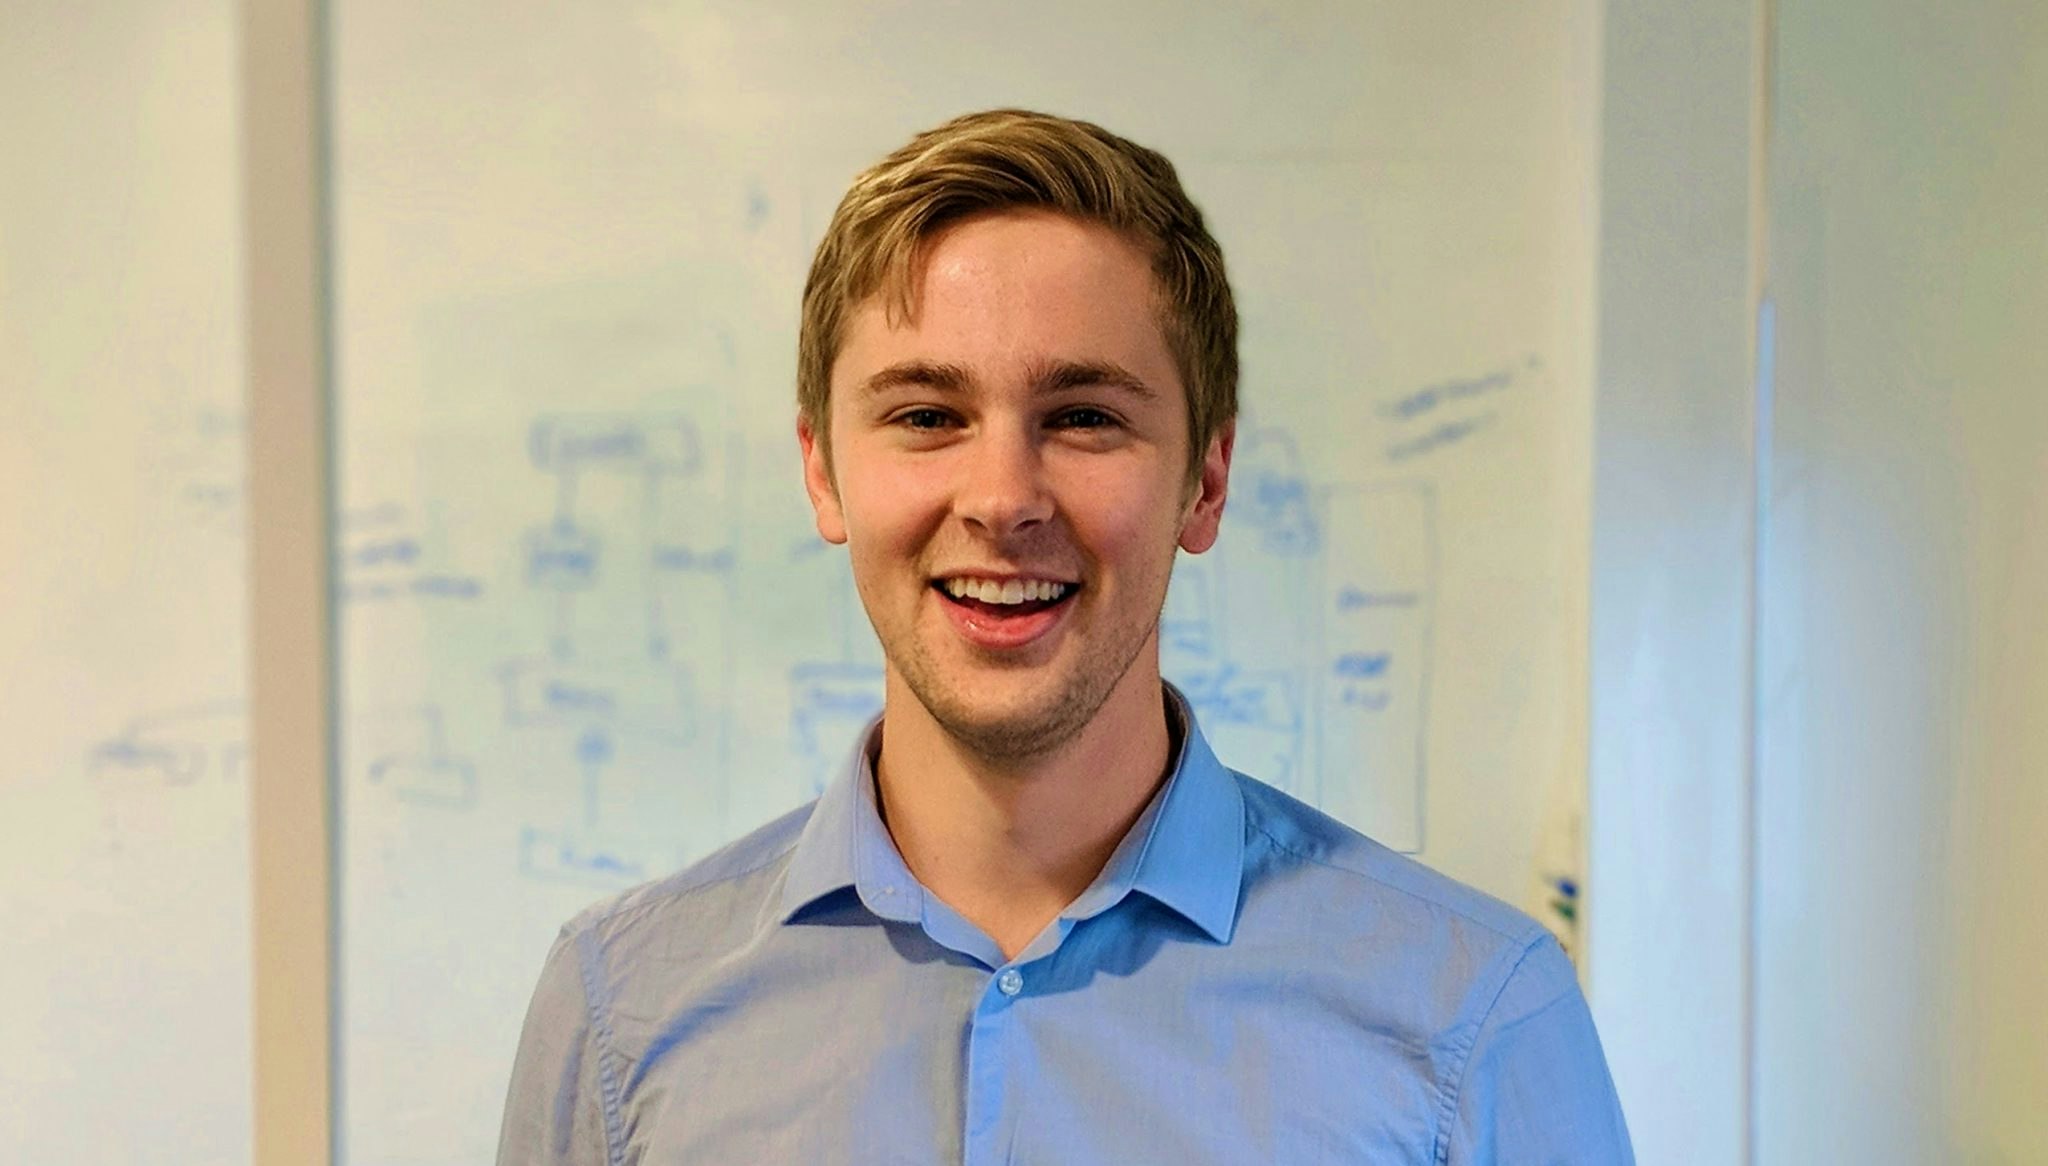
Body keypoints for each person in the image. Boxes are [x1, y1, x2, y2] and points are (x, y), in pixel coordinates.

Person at [497, 108, 1633, 1165]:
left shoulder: (1474, 1022)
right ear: (820, 469)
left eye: (1083, 416)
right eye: (926, 415)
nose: (1001, 496)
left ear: (1206, 479)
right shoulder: (617, 1012)